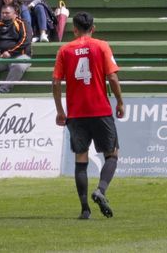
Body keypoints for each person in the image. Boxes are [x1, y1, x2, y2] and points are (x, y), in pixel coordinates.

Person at [53, 11, 124, 220]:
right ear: (93, 28)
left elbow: (56, 82)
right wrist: (120, 101)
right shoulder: (101, 46)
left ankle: (85, 210)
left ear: (74, 29)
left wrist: (60, 111)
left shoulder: (65, 50)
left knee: (80, 158)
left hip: (76, 113)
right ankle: (100, 190)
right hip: (100, 110)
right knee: (112, 154)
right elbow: (112, 76)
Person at [0, 4, 31, 94]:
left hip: (19, 55)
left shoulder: (23, 24)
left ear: (15, 14)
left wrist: (10, 52)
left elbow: (25, 40)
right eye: (3, 13)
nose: (4, 15)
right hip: (1, 57)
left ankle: (3, 90)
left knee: (18, 66)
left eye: (7, 13)